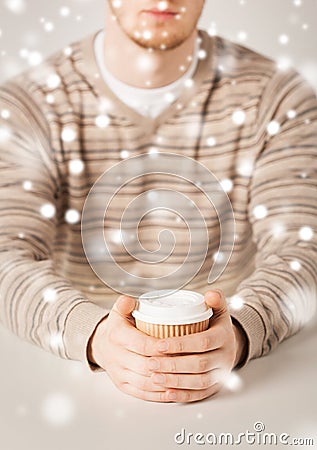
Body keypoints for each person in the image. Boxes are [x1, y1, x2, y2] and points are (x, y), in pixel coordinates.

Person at [0, 0, 316, 403]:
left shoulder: (278, 99)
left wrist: (240, 330)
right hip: (76, 386)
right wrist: (94, 335)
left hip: (243, 391)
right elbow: (7, 254)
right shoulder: (27, 104)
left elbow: (302, 249)